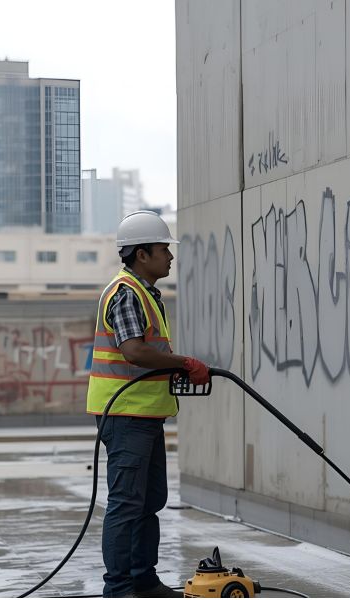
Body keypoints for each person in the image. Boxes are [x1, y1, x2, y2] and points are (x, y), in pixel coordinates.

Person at [86, 210, 210, 598]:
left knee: (150, 499)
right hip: (126, 416)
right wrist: (183, 362)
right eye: (163, 249)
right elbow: (134, 351)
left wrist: (177, 366)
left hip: (145, 415)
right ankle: (119, 588)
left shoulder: (145, 294)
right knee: (127, 503)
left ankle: (143, 579)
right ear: (141, 255)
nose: (170, 256)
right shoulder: (126, 293)